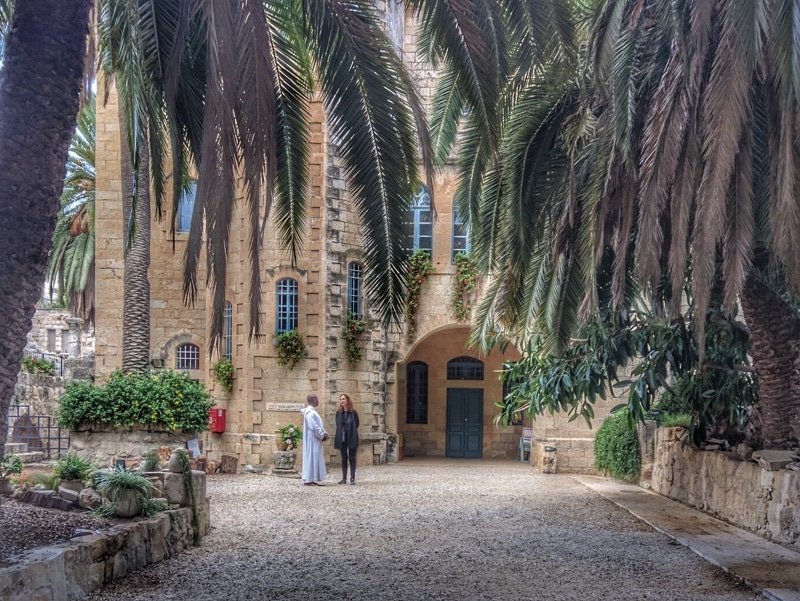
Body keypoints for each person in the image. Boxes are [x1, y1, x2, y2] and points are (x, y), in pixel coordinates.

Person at [301, 394, 328, 485]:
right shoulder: (310, 413)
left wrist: (323, 433)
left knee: (314, 458)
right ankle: (309, 478)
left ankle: (312, 478)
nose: (318, 400)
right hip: (313, 439)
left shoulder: (312, 412)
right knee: (312, 457)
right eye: (316, 399)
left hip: (314, 438)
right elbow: (313, 427)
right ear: (312, 400)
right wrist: (322, 434)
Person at [334, 393, 360, 485]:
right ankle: (344, 478)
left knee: (352, 458)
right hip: (342, 437)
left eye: (343, 399)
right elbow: (337, 424)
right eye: (341, 399)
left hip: (351, 436)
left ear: (347, 400)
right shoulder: (338, 413)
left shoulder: (353, 412)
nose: (342, 401)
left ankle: (352, 478)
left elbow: (357, 424)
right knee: (344, 458)